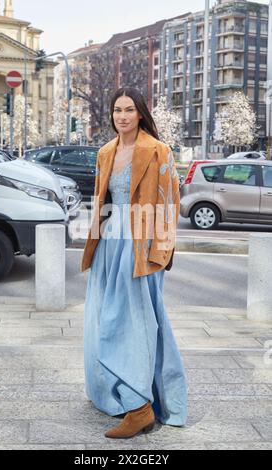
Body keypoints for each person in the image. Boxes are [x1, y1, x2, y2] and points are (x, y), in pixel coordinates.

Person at [81, 87, 188, 439]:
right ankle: (124, 394)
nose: (122, 116)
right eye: (116, 110)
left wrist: (160, 252)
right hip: (111, 241)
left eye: (129, 110)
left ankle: (140, 406)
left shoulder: (158, 151)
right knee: (104, 317)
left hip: (142, 245)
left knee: (135, 322)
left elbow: (170, 204)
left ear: (140, 113)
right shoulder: (105, 152)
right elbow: (103, 200)